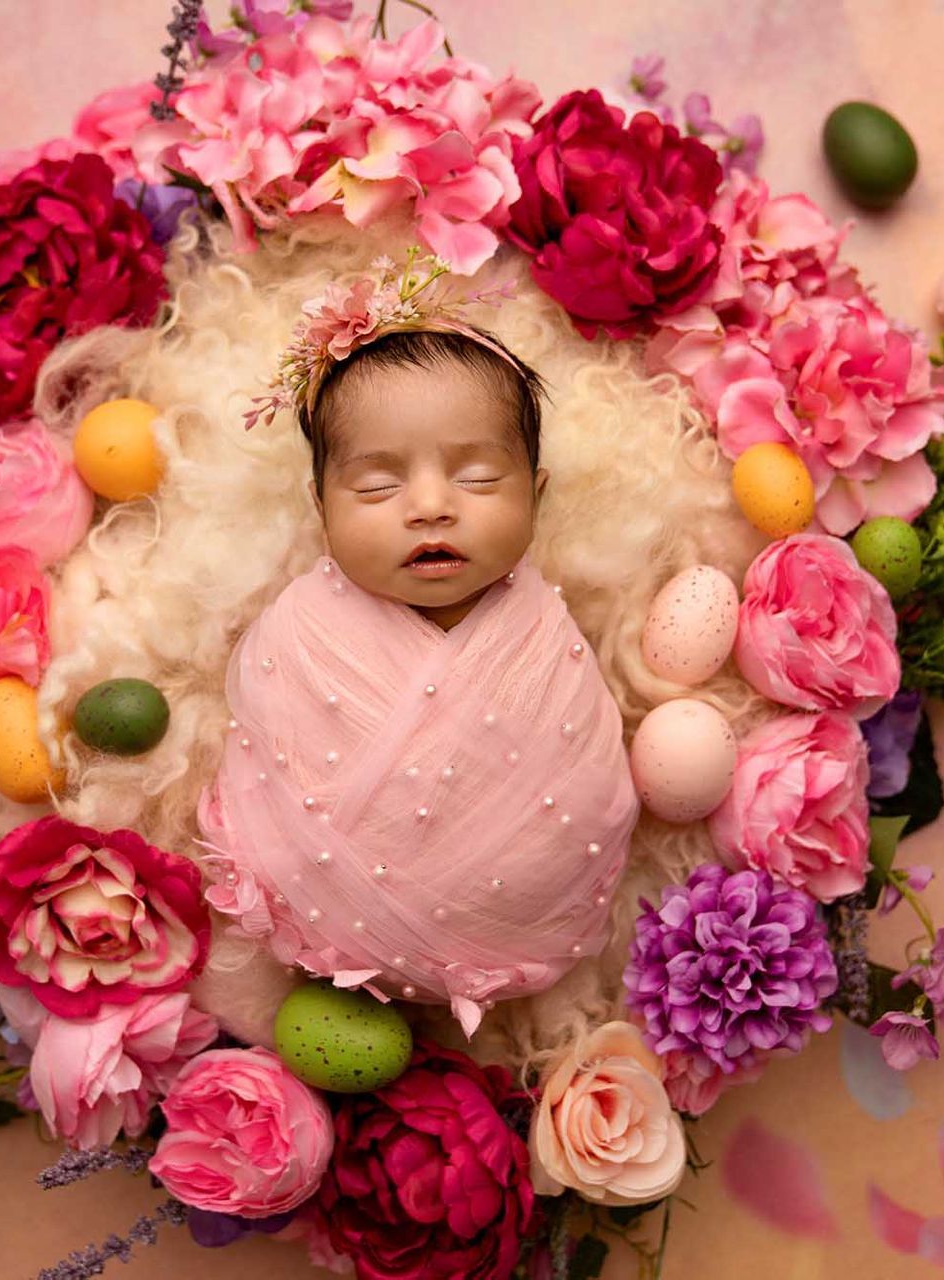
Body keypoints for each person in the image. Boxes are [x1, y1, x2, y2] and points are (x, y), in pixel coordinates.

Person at [195, 254, 639, 1035]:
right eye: (376, 486)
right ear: (321, 509)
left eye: (479, 479)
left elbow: (587, 780)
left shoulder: (545, 637)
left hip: (530, 931)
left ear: (536, 497)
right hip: (329, 937)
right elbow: (266, 758)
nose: (431, 506)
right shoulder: (300, 635)